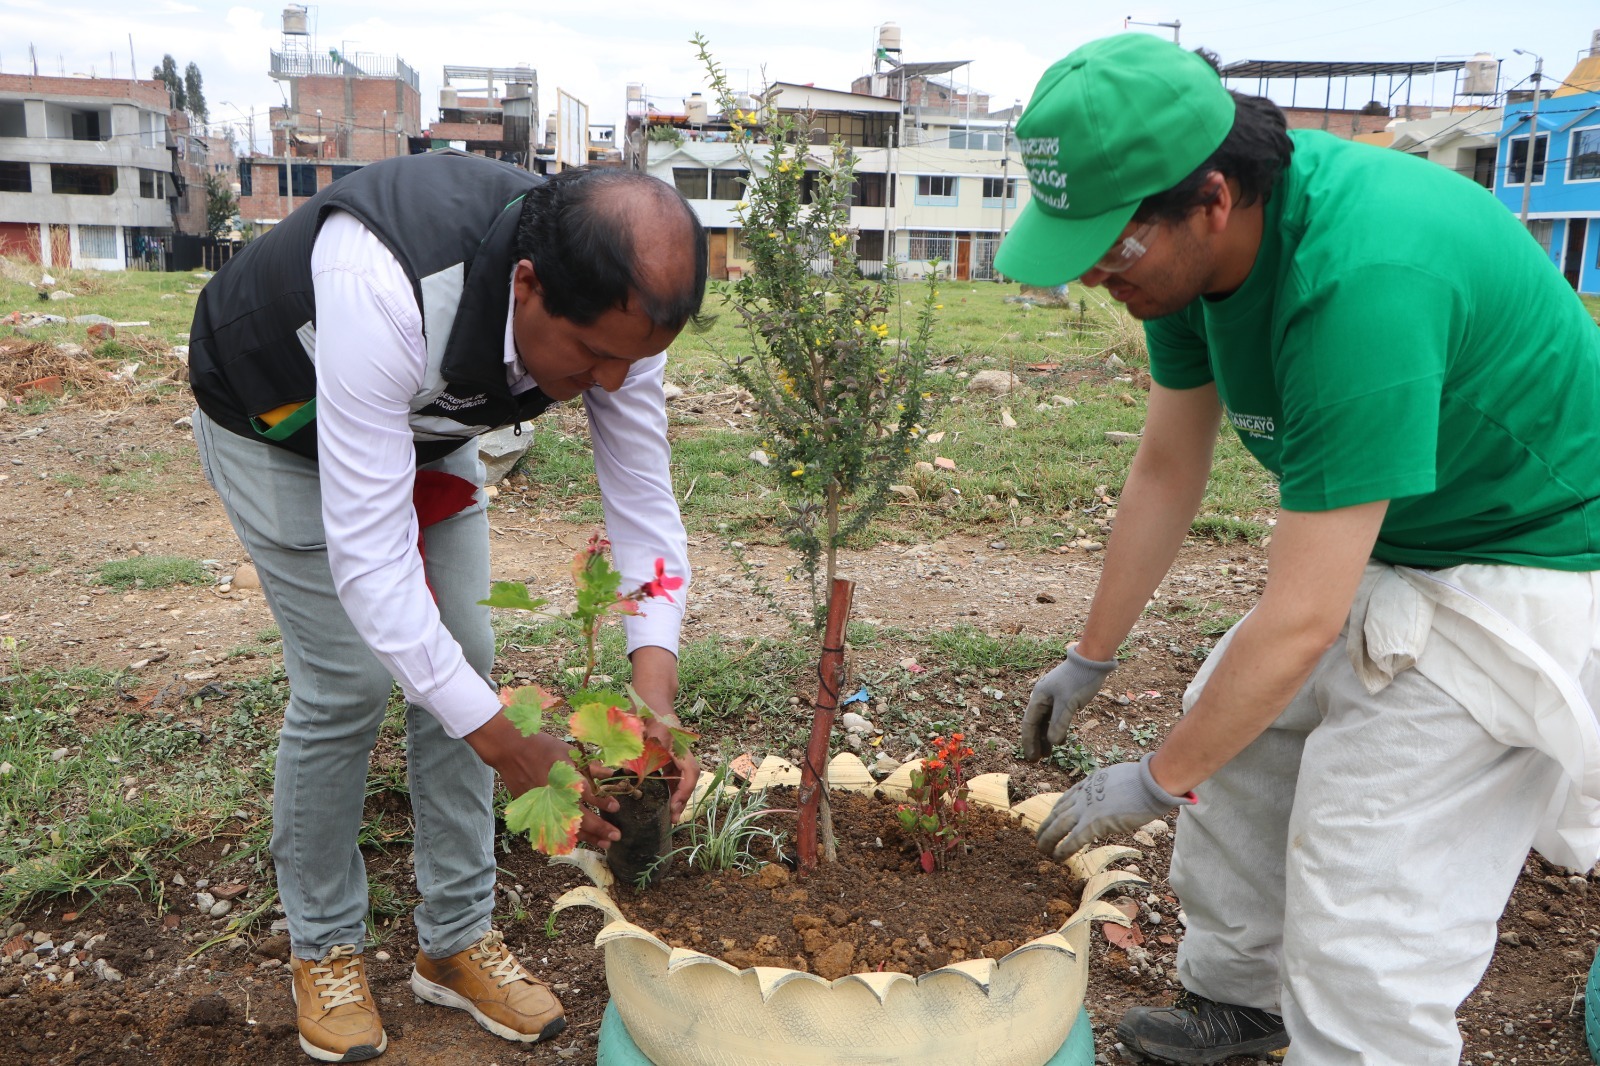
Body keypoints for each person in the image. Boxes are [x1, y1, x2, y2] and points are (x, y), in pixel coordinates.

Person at [996, 33, 1600, 1066]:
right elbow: (1164, 467)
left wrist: (1152, 778)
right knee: (1238, 737)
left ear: (1213, 200)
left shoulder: (1359, 280)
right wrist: (1090, 656)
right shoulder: (1184, 269)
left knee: (1370, 890)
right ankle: (1246, 1000)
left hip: (1525, 555)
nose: (1095, 272)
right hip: (1397, 531)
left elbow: (1305, 614)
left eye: (1111, 243)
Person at [188, 151, 705, 1063]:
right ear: (527, 283)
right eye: (592, 358)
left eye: (636, 362)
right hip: (277, 415)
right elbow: (374, 565)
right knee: (348, 681)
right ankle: (326, 947)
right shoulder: (382, 280)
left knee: (464, 660)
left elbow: (644, 509)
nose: (614, 383)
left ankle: (457, 938)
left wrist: (654, 691)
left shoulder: (616, 322)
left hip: (425, 427)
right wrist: (511, 748)